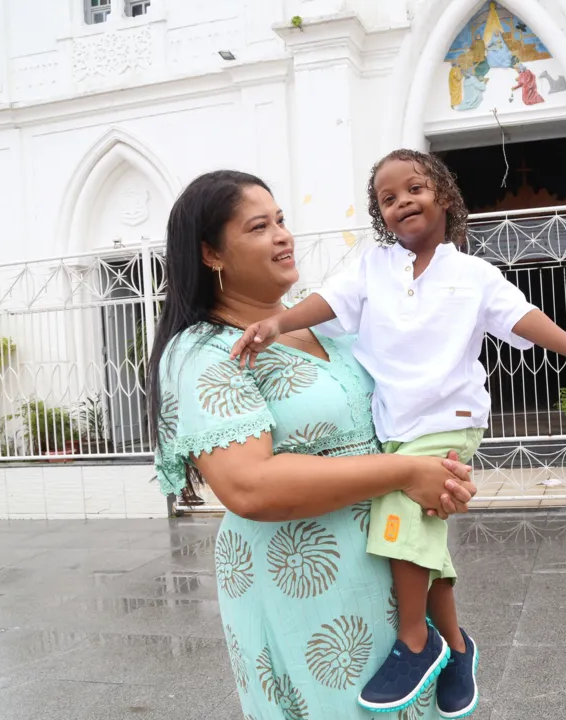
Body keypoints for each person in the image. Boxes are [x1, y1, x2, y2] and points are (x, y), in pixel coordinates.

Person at [230, 150, 566, 717]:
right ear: (379, 215)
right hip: (395, 426)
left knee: (399, 518)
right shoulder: (374, 265)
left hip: (447, 424)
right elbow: (331, 301)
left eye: (414, 188)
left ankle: (416, 642)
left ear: (443, 194)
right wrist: (277, 321)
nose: (402, 203)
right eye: (388, 199)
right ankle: (458, 647)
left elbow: (521, 316)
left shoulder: (472, 275)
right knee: (423, 537)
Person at [148, 170, 478, 720]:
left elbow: (407, 418)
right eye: (259, 226)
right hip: (301, 578)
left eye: (281, 220)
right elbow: (248, 485)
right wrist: (402, 473)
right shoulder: (204, 351)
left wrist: (440, 473)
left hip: (390, 562)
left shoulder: (329, 328)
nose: (282, 236)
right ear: (211, 253)